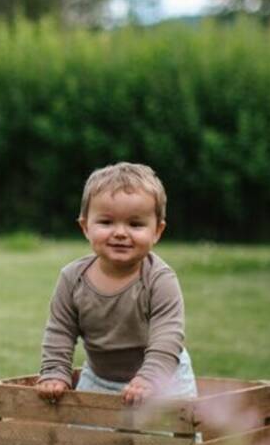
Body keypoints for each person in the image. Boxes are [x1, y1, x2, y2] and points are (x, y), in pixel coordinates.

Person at [36, 162, 197, 405]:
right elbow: (60, 330)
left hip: (163, 380)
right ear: (85, 227)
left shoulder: (158, 279)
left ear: (157, 231)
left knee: (171, 439)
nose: (120, 233)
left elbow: (167, 336)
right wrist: (55, 371)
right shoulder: (72, 278)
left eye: (135, 224)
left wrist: (150, 378)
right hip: (99, 378)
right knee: (86, 439)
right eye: (107, 222)